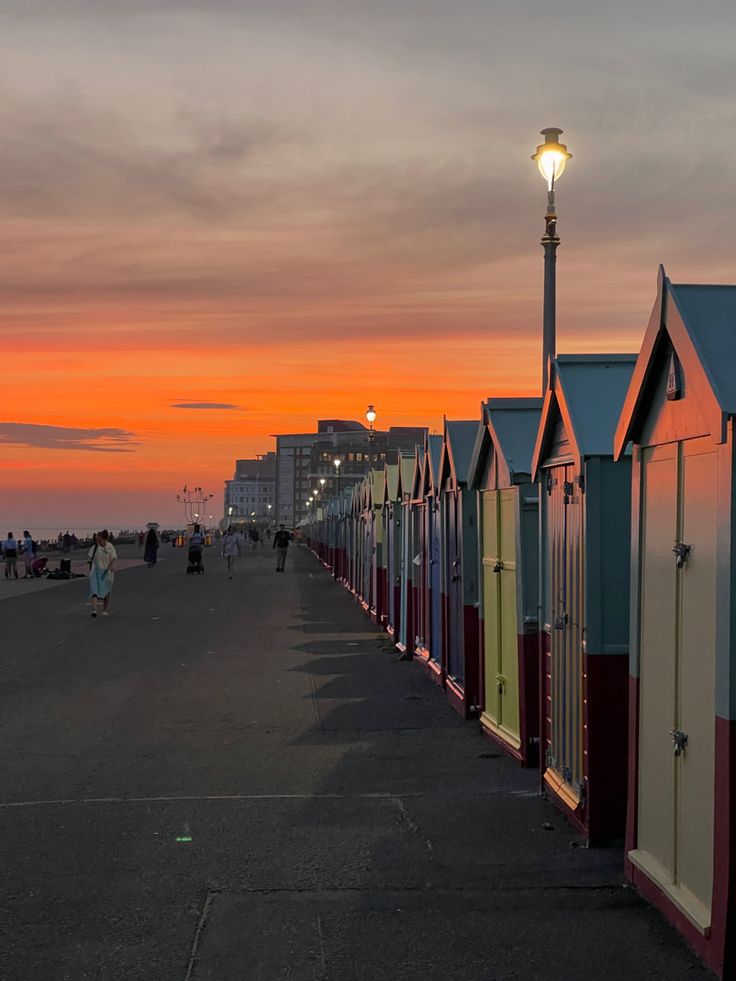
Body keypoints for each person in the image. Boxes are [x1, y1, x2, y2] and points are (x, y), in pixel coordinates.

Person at [88, 529, 117, 617]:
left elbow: (113, 558)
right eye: (97, 539)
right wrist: (89, 562)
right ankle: (94, 610)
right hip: (95, 571)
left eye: (99, 539)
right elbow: (90, 558)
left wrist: (110, 567)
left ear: (104, 539)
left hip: (106, 572)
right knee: (94, 591)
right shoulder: (95, 547)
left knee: (107, 591)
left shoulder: (110, 546)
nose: (98, 541)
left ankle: (104, 610)